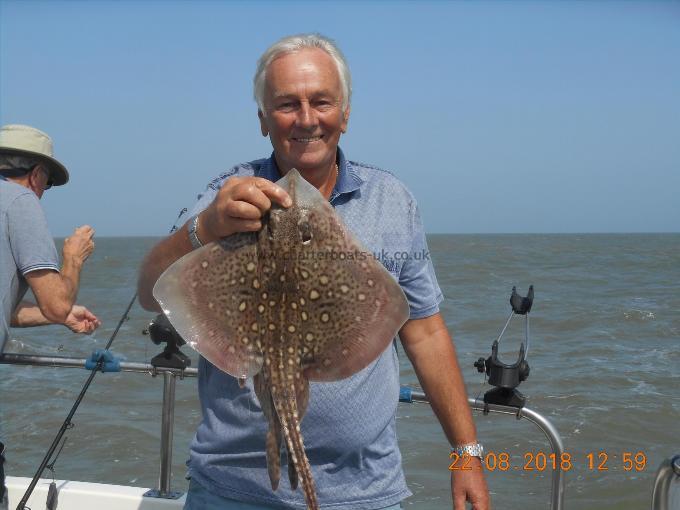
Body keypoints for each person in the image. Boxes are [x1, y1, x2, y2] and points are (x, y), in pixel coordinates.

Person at [137, 34, 489, 510]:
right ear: (263, 120)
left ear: (344, 112)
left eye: (321, 101)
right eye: (286, 104)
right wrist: (207, 227)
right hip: (231, 489)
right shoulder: (227, 192)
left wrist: (466, 455)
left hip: (366, 490)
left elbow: (424, 331)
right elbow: (150, 293)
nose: (306, 118)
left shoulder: (391, 201)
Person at [0, 124, 101, 509]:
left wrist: (57, 317)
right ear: (37, 174)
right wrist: (73, 258)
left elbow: (8, 311)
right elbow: (57, 301)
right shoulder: (20, 201)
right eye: (47, 184)